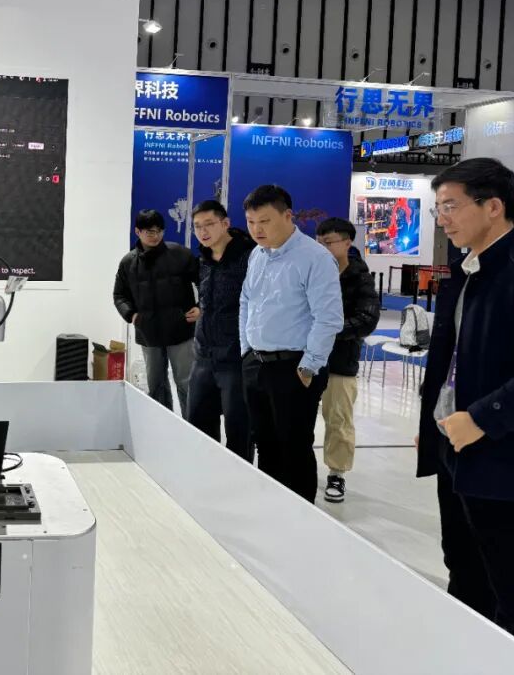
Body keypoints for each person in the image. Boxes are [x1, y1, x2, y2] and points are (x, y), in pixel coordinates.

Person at [416, 158, 514, 661]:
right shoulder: (468, 269)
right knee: (465, 568)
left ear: (493, 206)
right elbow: (451, 357)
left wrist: (481, 418)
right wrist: (434, 421)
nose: (443, 219)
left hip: (506, 453)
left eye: (451, 206)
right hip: (455, 446)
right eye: (438, 209)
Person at [239, 185, 343, 502]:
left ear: (288, 216)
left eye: (265, 221)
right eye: (251, 221)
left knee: (294, 447)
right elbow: (246, 302)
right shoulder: (257, 254)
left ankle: (300, 517)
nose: (257, 229)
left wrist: (309, 366)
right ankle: (273, 510)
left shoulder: (314, 258)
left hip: (295, 367)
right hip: (257, 364)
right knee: (265, 443)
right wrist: (245, 351)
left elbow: (328, 318)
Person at [315, 218, 380, 503]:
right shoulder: (312, 272)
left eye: (329, 242)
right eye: (319, 242)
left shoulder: (360, 278)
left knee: (338, 419)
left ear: (347, 242)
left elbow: (367, 320)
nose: (323, 247)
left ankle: (337, 473)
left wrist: (329, 328)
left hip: (341, 362)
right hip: (306, 358)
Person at [185, 200, 255, 460]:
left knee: (239, 429)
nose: (202, 231)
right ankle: (206, 476)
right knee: (197, 425)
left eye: (209, 224)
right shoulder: (203, 260)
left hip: (236, 359)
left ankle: (239, 480)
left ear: (225, 223)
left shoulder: (249, 257)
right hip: (203, 357)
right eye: (197, 226)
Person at [114, 209, 200, 410]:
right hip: (148, 333)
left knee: (186, 383)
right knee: (156, 385)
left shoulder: (180, 254)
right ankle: (162, 425)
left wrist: (200, 307)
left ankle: (191, 426)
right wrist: (132, 315)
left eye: (159, 231)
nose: (156, 236)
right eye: (150, 231)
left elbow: (205, 282)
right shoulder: (128, 262)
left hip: (181, 330)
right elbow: (119, 295)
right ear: (137, 231)